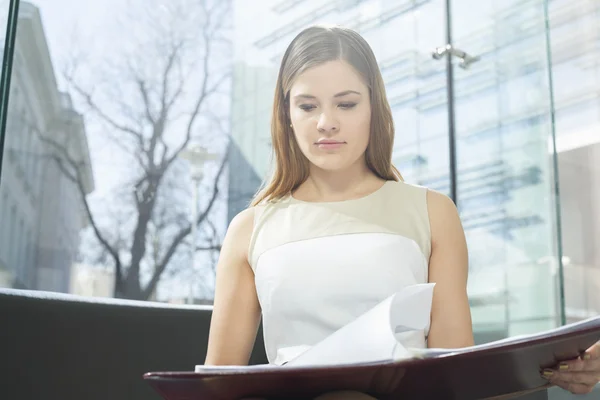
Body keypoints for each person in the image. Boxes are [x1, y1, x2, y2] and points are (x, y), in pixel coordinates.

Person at [204, 25, 600, 397]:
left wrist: (555, 372)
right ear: (286, 115)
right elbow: (216, 386)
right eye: (307, 106)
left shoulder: (432, 212)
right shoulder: (250, 230)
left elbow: (454, 369)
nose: (327, 122)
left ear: (373, 108)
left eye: (346, 103)